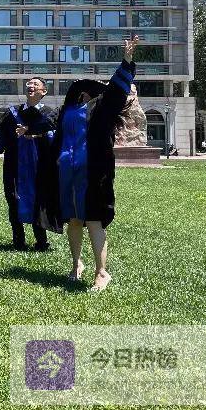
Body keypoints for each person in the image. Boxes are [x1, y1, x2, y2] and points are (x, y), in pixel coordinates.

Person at [53, 35, 140, 292]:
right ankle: (76, 264)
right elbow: (52, 132)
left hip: (93, 172)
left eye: (89, 89)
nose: (84, 92)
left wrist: (127, 60)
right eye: (81, 89)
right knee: (74, 220)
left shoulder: (101, 109)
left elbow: (116, 92)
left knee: (93, 220)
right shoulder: (66, 111)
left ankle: (101, 272)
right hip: (68, 172)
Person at [0, 77, 58, 251]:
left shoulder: (49, 113)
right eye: (29, 84)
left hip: (39, 165)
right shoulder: (13, 112)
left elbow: (55, 135)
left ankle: (41, 241)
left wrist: (38, 134)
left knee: (39, 199)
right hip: (15, 163)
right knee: (14, 198)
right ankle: (18, 240)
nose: (31, 86)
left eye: (35, 84)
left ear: (44, 91)